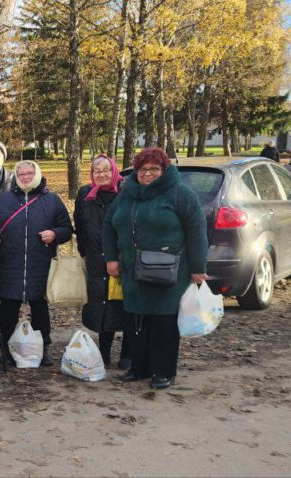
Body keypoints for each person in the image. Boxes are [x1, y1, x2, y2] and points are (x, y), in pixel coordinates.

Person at [103, 147, 208, 390]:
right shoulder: (127, 192)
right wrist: (112, 258)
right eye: (142, 169)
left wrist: (198, 267)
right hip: (132, 271)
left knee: (163, 323)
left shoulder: (180, 193)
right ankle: (139, 367)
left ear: (164, 170)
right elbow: (109, 225)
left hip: (169, 271)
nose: (147, 174)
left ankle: (163, 371)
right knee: (136, 321)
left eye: (154, 169)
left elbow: (196, 229)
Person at [0, 160, 71, 366]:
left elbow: (66, 229)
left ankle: (43, 346)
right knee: (7, 308)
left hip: (40, 264)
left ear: (37, 174)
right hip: (9, 264)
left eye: (29, 173)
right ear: (16, 176)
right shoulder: (3, 200)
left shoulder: (51, 200)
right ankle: (4, 347)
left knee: (40, 308)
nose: (25, 177)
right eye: (21, 174)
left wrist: (54, 234)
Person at [74, 154, 130, 370]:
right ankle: (104, 352)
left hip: (122, 258)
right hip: (96, 259)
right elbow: (79, 224)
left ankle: (128, 353)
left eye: (106, 170)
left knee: (125, 305)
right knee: (103, 306)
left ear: (114, 171)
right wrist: (83, 250)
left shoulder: (125, 193)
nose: (102, 174)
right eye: (97, 170)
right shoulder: (85, 194)